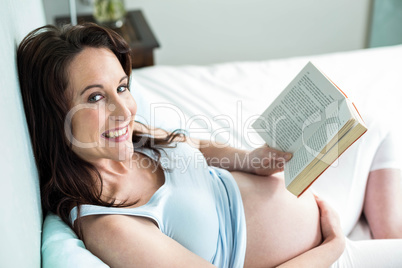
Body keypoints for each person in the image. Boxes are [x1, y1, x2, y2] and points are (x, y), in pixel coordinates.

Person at [17, 22, 402, 267]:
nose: (124, 110)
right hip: (320, 253)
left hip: (311, 198)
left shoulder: (125, 140)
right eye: (95, 98)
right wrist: (333, 245)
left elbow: (194, 147)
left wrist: (252, 160)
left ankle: (387, 233)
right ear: (54, 115)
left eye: (122, 87)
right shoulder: (110, 224)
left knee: (375, 123)